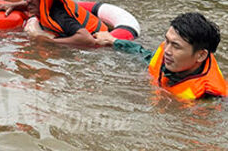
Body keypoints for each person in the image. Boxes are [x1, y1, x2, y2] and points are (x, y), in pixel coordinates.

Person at [95, 13, 227, 100]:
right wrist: (114, 41)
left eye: (176, 46)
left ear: (201, 55)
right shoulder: (169, 55)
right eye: (167, 41)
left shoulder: (209, 97)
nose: (166, 51)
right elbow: (143, 54)